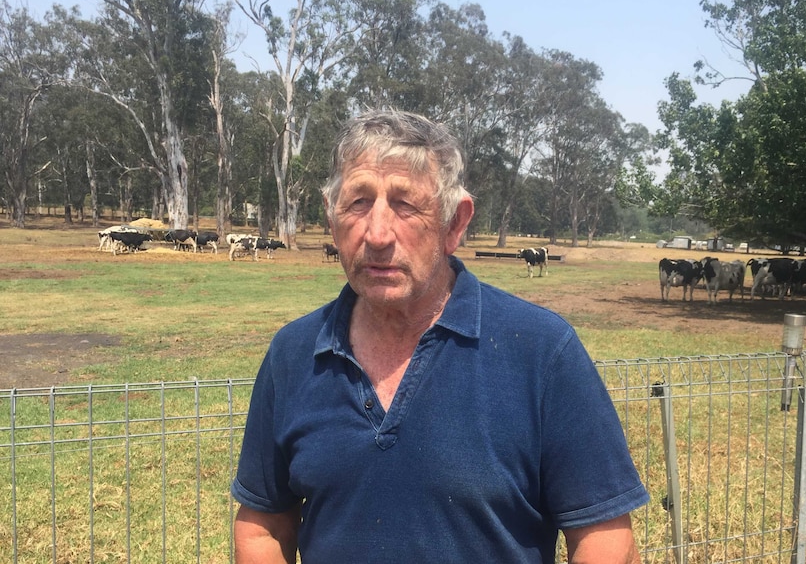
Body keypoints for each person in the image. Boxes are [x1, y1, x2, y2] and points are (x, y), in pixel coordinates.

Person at [231, 109, 649, 564]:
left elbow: (605, 539)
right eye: (357, 203)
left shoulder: (541, 352)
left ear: (455, 223)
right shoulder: (293, 354)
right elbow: (264, 527)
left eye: (406, 205)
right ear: (332, 218)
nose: (377, 234)